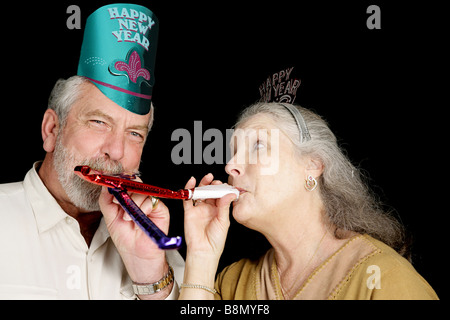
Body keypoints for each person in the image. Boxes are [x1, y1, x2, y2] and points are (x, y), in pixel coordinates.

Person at [0, 4, 184, 299]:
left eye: (134, 133)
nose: (116, 151)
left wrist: (151, 278)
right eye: (99, 122)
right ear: (52, 130)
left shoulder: (158, 248)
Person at [179, 102, 438, 300]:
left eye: (257, 146)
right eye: (234, 152)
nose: (231, 165)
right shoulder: (232, 283)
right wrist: (201, 256)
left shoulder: (386, 279)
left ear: (312, 166)